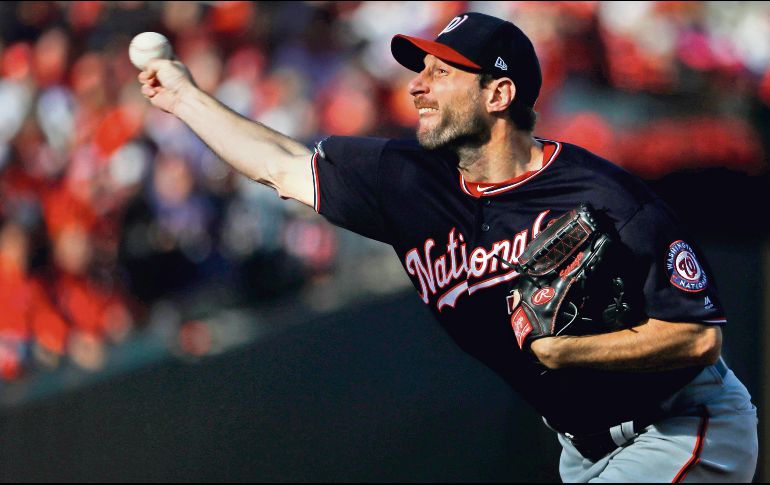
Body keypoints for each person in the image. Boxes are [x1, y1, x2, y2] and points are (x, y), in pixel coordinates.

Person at [137, 12, 758, 482]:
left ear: (499, 96)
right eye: (419, 71)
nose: (418, 87)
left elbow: (700, 338)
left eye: (442, 72)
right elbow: (280, 163)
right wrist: (184, 96)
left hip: (680, 425)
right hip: (581, 448)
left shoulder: (607, 196)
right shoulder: (406, 180)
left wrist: (568, 351)